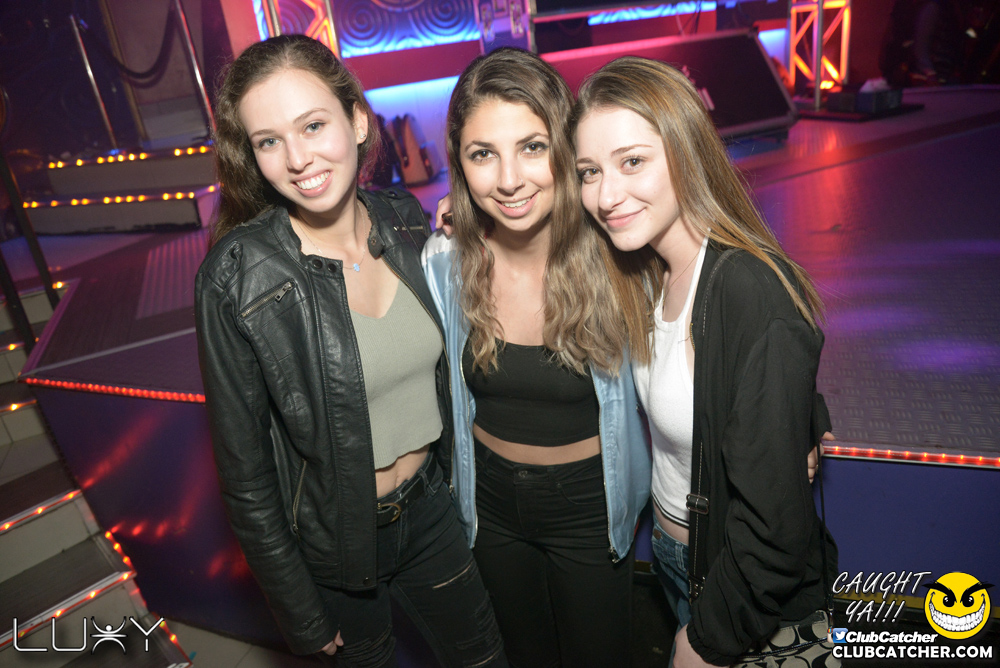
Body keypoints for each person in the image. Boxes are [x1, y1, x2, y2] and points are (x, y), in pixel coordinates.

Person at [194, 35, 506, 668]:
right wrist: (297, 608)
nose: (297, 158)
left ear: (358, 121)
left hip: (431, 509)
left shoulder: (406, 219)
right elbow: (245, 476)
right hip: (333, 546)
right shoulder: (237, 275)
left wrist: (474, 220)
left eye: (313, 125)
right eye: (268, 141)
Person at [573, 57, 838, 668]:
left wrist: (708, 639)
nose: (605, 196)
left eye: (632, 161)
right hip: (674, 557)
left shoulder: (748, 290)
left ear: (687, 151)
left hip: (733, 580)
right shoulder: (644, 268)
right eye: (590, 172)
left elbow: (775, 534)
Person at [421, 48, 651, 667]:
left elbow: (712, 317)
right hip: (489, 504)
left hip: (590, 505)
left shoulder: (620, 256)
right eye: (482, 154)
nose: (509, 180)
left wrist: (797, 407)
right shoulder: (444, 265)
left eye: (531, 147)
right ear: (459, 163)